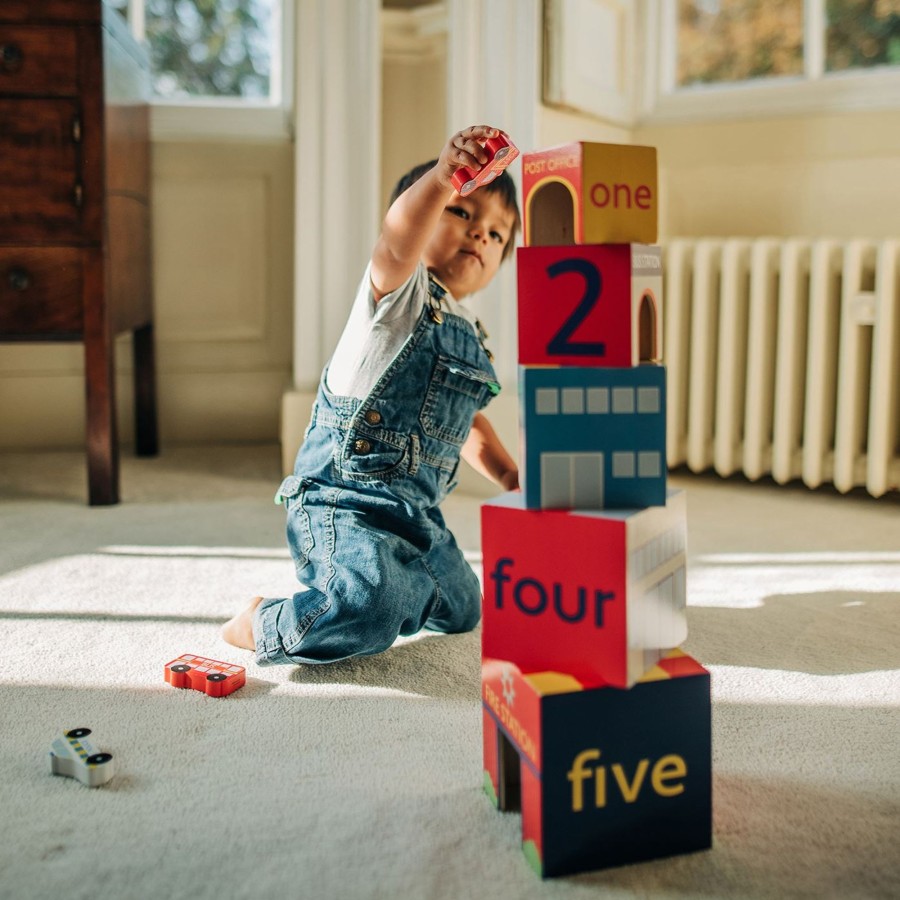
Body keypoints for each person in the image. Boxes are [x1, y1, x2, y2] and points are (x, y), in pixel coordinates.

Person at [222, 125, 521, 665]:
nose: (481, 234)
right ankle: (263, 620)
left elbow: (466, 423)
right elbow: (396, 241)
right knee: (368, 607)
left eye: (498, 234)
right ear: (424, 213)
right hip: (344, 502)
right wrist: (442, 177)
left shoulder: (473, 333)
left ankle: (395, 577)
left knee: (465, 607)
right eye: (462, 212)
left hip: (417, 514)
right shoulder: (398, 292)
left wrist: (509, 475)